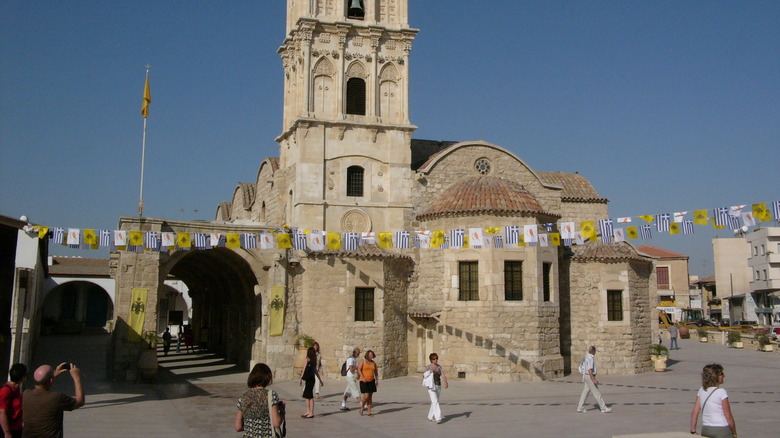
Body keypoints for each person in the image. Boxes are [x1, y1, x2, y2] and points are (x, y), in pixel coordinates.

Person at [22, 362, 85, 437]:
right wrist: (76, 377)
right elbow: (80, 401)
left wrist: (52, 375)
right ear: (51, 381)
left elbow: (42, 383)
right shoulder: (56, 397)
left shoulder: (26, 394)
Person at [235, 363, 284, 438]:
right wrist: (282, 412)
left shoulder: (243, 397)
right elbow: (276, 423)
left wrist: (250, 428)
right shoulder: (271, 395)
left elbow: (237, 427)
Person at [690, 364, 736, 438]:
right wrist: (734, 432)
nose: (724, 376)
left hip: (706, 429)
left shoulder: (702, 390)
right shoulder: (721, 392)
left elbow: (695, 412)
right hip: (721, 429)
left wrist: (693, 431)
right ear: (715, 376)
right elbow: (728, 416)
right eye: (721, 374)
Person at [576, 346, 611, 413]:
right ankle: (603, 408)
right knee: (597, 392)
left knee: (585, 392)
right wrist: (593, 379)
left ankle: (580, 408)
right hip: (589, 376)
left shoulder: (586, 357)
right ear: (594, 351)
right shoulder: (591, 358)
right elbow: (590, 370)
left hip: (585, 376)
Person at [0, 363, 27, 438]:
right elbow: (2, 413)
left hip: (17, 428)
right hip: (9, 429)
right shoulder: (6, 391)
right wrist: (7, 432)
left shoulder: (16, 389)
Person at [423, 353, 448, 424]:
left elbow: (442, 375)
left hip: (438, 385)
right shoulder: (428, 367)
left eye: (436, 358)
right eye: (434, 359)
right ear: (431, 360)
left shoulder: (439, 367)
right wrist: (430, 372)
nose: (436, 360)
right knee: (435, 401)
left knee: (435, 401)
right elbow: (423, 375)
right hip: (431, 386)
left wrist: (446, 382)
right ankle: (438, 418)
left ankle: (430, 416)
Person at [298, 347, 322, 418]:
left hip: (308, 379)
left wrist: (300, 379)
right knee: (307, 395)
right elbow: (315, 371)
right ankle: (308, 411)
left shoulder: (307, 359)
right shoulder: (313, 361)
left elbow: (304, 369)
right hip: (312, 379)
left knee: (309, 396)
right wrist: (320, 380)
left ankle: (311, 412)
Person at [357, 350, 379, 416]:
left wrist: (377, 380)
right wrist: (362, 377)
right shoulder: (363, 361)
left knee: (370, 397)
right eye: (370, 354)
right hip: (364, 381)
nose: (371, 356)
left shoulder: (373, 363)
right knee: (366, 396)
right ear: (367, 355)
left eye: (372, 354)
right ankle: (362, 407)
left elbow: (376, 372)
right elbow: (359, 369)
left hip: (371, 380)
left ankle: (369, 411)